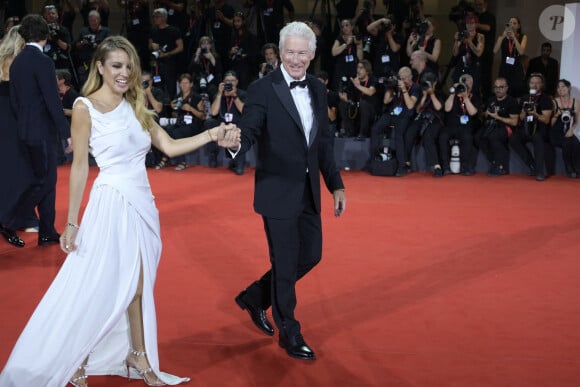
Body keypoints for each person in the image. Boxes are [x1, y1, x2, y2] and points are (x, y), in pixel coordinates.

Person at [0, 35, 239, 386]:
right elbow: (80, 166)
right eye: (116, 65)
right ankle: (77, 357)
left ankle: (137, 355)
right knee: (98, 286)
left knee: (140, 287)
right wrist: (70, 222)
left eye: (128, 66)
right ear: (100, 67)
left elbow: (169, 147)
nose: (124, 73)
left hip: (143, 203)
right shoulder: (85, 107)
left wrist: (212, 134)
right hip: (110, 204)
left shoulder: (135, 105)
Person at [230, 21, 346, 361]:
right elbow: (249, 129)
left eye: (302, 53)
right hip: (276, 190)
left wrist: (335, 183)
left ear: (311, 55)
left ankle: (254, 297)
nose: (296, 59)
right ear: (280, 53)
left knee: (310, 255)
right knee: (284, 262)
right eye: (290, 52)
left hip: (309, 190)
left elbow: (323, 141)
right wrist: (236, 142)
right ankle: (290, 332)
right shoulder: (263, 88)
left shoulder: (318, 89)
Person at [2, 14, 71, 248]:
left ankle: (47, 230)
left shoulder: (18, 61)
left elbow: (15, 100)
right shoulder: (43, 62)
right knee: (45, 180)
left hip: (25, 130)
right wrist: (66, 132)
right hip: (43, 132)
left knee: (45, 180)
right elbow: (53, 101)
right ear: (45, 35)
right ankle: (9, 219)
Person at [0, 25, 30, 248]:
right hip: (11, 119)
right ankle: (7, 221)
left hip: (6, 118)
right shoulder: (16, 62)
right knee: (19, 173)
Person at [509, 72, 552, 181]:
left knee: (538, 138)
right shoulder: (524, 98)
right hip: (526, 127)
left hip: (540, 128)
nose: (534, 85)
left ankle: (540, 171)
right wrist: (524, 110)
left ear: (542, 85)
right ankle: (532, 165)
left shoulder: (546, 99)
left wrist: (535, 114)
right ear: (529, 85)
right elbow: (521, 118)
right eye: (532, 83)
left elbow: (546, 120)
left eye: (537, 83)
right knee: (514, 140)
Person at [205, 70, 246, 173]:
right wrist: (219, 94)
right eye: (227, 80)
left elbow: (245, 111)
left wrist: (234, 96)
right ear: (223, 82)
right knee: (209, 122)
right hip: (223, 125)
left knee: (243, 126)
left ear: (237, 82)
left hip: (237, 124)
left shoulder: (242, 94)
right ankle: (213, 154)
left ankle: (238, 162)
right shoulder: (220, 94)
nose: (230, 83)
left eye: (232, 80)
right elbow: (214, 112)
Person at [478, 77, 520, 176]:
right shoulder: (490, 100)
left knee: (494, 136)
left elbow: (514, 122)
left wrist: (498, 117)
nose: (498, 90)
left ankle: (501, 166)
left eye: (501, 87)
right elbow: (485, 115)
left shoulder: (512, 101)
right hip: (491, 125)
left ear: (506, 88)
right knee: (478, 137)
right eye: (496, 87)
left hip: (506, 127)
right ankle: (493, 162)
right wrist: (485, 114)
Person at [440, 73, 479, 176]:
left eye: (469, 84)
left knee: (467, 137)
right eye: (464, 84)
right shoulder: (454, 96)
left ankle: (465, 167)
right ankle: (445, 166)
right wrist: (453, 92)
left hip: (465, 127)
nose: (466, 86)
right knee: (443, 136)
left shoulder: (474, 97)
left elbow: (473, 112)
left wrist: (466, 98)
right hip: (451, 126)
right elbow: (447, 108)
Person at [337, 59, 378, 139]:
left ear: (367, 71)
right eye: (358, 68)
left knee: (363, 103)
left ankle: (363, 134)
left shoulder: (373, 79)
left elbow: (370, 92)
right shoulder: (354, 82)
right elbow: (351, 100)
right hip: (357, 109)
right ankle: (349, 132)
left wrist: (358, 86)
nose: (358, 70)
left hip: (370, 110)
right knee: (343, 104)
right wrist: (346, 100)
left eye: (361, 68)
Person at [549, 79, 580, 178]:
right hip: (555, 132)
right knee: (567, 143)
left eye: (563, 86)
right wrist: (556, 114)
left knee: (576, 143)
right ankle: (569, 169)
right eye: (558, 87)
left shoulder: (575, 102)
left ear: (568, 88)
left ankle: (577, 169)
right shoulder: (554, 102)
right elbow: (550, 124)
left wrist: (572, 130)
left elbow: (576, 121)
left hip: (568, 131)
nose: (560, 89)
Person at [493, 16, 527, 98]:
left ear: (518, 26)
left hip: (516, 67)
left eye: (514, 23)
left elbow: (521, 52)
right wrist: (502, 37)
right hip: (505, 67)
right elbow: (495, 51)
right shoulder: (502, 37)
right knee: (504, 90)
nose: (512, 25)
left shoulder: (523, 37)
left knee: (516, 90)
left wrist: (514, 37)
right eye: (510, 23)